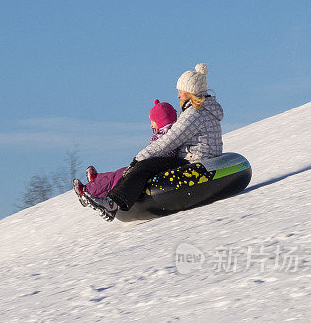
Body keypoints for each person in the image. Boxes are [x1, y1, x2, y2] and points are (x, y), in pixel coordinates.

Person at [94, 63, 224, 216]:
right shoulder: (208, 110)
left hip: (194, 162)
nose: (178, 95)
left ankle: (114, 202)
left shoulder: (193, 114)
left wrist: (140, 157)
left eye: (180, 91)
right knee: (150, 164)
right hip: (205, 159)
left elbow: (168, 141)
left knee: (145, 166)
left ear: (190, 91)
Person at [73, 99, 179, 220]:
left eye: (152, 121)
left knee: (122, 175)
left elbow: (163, 152)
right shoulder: (164, 133)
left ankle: (88, 190)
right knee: (120, 173)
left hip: (155, 167)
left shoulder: (167, 134)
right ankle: (97, 181)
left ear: (161, 120)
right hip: (152, 164)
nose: (151, 125)